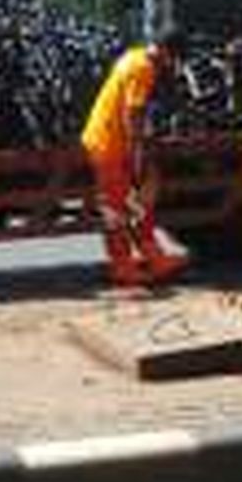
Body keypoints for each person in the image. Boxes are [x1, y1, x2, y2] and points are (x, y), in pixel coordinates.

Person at [81, 23, 189, 287]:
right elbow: (134, 114)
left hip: (112, 140)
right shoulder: (142, 68)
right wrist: (138, 154)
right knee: (116, 208)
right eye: (174, 58)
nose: (173, 65)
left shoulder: (134, 56)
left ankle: (154, 257)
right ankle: (122, 267)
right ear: (167, 52)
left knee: (140, 201)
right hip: (110, 145)